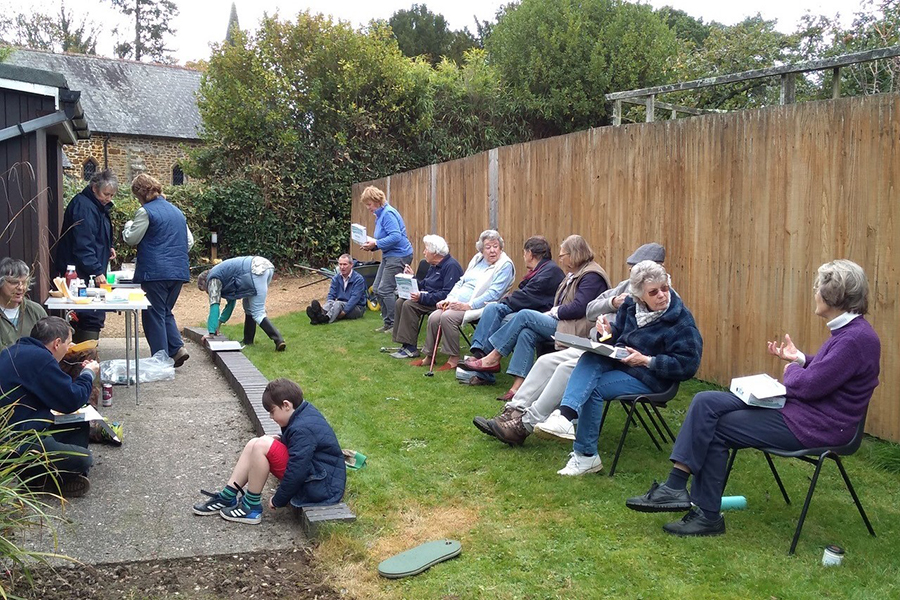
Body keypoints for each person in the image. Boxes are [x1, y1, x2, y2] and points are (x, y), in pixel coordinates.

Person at [626, 259, 879, 537]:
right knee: (705, 401)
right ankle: (675, 486)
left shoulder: (854, 339)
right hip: (802, 411)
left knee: (717, 427)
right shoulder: (851, 332)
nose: (815, 294)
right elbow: (830, 367)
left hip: (816, 426)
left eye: (818, 289)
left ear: (833, 297)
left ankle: (706, 515)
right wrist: (802, 359)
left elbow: (806, 386)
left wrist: (792, 369)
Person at [475, 243, 666, 444]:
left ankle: (524, 425)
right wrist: (612, 304)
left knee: (561, 363)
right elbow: (592, 309)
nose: (631, 272)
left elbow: (582, 310)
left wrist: (611, 334)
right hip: (602, 344)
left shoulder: (659, 298)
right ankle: (513, 411)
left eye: (635, 268)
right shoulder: (627, 286)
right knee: (546, 360)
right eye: (631, 268)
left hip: (614, 354)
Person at [535, 261, 702, 476]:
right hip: (623, 364)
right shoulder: (631, 306)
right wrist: (606, 333)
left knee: (593, 389)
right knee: (590, 355)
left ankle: (584, 454)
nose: (662, 295)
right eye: (654, 292)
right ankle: (566, 418)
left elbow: (688, 365)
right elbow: (618, 337)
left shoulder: (681, 321)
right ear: (640, 296)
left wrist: (646, 360)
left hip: (653, 377)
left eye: (664, 288)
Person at [463, 235, 610, 399]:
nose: (560, 260)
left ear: (573, 254)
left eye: (562, 256)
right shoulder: (575, 273)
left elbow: (580, 308)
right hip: (564, 323)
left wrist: (554, 311)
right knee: (527, 332)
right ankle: (518, 388)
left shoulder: (591, 275)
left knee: (524, 316)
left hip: (577, 329)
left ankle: (493, 357)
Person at [192, 378, 346, 524]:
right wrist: (281, 438)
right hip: (316, 477)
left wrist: (279, 499)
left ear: (286, 405)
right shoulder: (303, 414)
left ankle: (251, 507)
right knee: (255, 443)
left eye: (272, 411)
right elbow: (302, 449)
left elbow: (297, 469)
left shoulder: (302, 428)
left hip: (320, 487)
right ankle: (228, 495)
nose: (271, 417)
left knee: (262, 445)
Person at [0, 316, 98, 497]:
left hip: (21, 427)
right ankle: (41, 478)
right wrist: (88, 374)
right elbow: (71, 400)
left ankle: (53, 477)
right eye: (68, 343)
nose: (69, 348)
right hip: (16, 443)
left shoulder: (14, 351)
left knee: (78, 425)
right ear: (57, 343)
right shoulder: (40, 359)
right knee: (84, 458)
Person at [461, 235, 564, 383]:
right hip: (530, 309)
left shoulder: (550, 271)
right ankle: (480, 355)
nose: (523, 257)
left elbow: (528, 297)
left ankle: (486, 362)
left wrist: (505, 300)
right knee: (492, 308)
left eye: (524, 253)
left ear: (530, 253)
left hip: (539, 315)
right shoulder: (542, 269)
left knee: (499, 314)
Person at [411, 230, 515, 371]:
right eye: (488, 247)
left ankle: (453, 358)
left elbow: (493, 294)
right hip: (458, 302)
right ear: (482, 250)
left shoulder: (505, 265)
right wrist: (448, 299)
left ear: (501, 248)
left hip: (481, 306)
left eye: (495, 246)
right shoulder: (478, 259)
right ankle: (429, 356)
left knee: (447, 317)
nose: (492, 251)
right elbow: (461, 282)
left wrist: (468, 305)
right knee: (435, 316)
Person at [123, 174, 193, 367]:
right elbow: (189, 242)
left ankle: (161, 360)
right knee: (164, 310)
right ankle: (177, 348)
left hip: (154, 272)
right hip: (179, 271)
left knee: (153, 314)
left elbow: (132, 239)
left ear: (140, 193)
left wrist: (127, 227)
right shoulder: (178, 212)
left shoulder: (145, 212)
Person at [53, 169, 118, 342]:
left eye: (112, 195)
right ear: (94, 188)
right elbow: (83, 244)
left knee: (92, 315)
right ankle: (84, 358)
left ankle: (86, 356)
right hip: (80, 272)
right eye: (106, 194)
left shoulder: (97, 206)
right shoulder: (84, 206)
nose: (108, 199)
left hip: (87, 267)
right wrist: (97, 271)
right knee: (90, 316)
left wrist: (108, 246)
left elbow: (97, 235)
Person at [389, 235, 463, 359]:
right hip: (429, 298)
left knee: (409, 304)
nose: (424, 252)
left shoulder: (451, 266)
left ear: (435, 252)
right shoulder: (433, 265)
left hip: (441, 304)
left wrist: (422, 298)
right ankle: (404, 344)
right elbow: (424, 285)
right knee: (400, 301)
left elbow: (447, 294)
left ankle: (411, 348)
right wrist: (412, 278)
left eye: (426, 249)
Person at [198, 256, 285, 351]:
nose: (208, 293)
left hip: (255, 270)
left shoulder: (213, 279)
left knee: (258, 312)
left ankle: (278, 340)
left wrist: (210, 332)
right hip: (265, 266)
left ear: (206, 283)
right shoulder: (221, 273)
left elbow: (214, 305)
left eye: (205, 290)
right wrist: (219, 322)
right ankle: (248, 340)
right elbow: (231, 304)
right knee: (248, 306)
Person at [358, 185, 414, 333]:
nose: (368, 208)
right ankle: (388, 322)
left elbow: (396, 237)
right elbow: (385, 239)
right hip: (389, 255)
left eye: (369, 204)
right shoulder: (380, 215)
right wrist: (372, 246)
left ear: (377, 201)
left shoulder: (388, 214)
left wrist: (376, 243)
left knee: (385, 289)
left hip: (400, 255)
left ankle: (395, 324)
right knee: (376, 288)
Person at [306, 254, 368, 325]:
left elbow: (354, 299)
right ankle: (320, 314)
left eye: (345, 264)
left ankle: (326, 319)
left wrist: (343, 313)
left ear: (351, 265)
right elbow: (331, 295)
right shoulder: (336, 278)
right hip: (340, 305)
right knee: (331, 302)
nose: (342, 267)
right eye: (340, 264)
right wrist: (328, 305)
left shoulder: (358, 279)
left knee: (338, 304)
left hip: (357, 308)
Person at [0, 258, 47, 350]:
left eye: (25, 282)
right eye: (14, 282)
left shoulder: (35, 310)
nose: (21, 287)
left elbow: (51, 340)